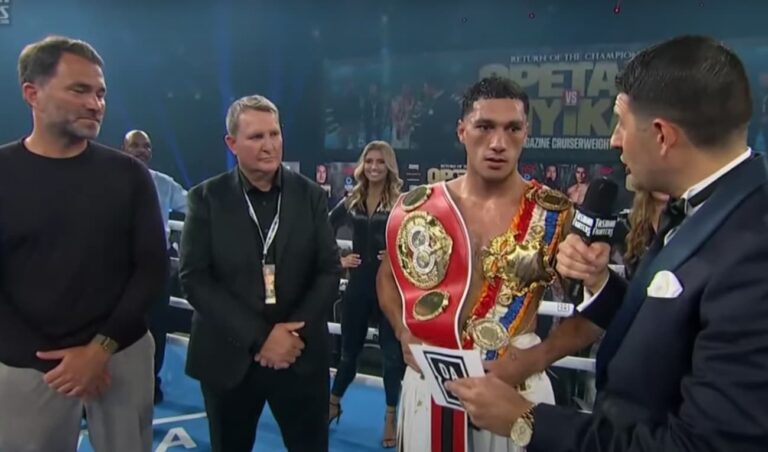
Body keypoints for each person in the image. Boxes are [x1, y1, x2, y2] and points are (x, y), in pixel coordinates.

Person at [446, 35, 768, 451]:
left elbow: (703, 446)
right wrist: (599, 282)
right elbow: (664, 328)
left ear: (661, 136)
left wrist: (527, 421)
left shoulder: (753, 249)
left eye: (621, 124)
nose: (614, 141)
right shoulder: (709, 208)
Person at [376, 76, 573, 452]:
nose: (498, 143)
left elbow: (595, 313)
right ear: (462, 131)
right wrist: (403, 330)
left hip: (514, 386)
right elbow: (386, 278)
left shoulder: (554, 215)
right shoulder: (420, 208)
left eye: (512, 128)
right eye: (484, 127)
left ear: (526, 133)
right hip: (431, 380)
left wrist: (535, 358)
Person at [0, 36, 167, 452]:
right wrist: (48, 360)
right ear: (32, 94)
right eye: (79, 90)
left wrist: (99, 350)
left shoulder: (129, 176)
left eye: (100, 93)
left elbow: (151, 269)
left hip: (120, 353)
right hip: (29, 364)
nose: (95, 104)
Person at [179, 94, 340, 452]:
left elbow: (329, 271)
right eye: (256, 137)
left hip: (298, 354)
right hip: (229, 356)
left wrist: (289, 335)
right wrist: (261, 338)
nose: (269, 145)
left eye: (274, 134)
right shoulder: (206, 198)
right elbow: (194, 278)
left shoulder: (310, 196)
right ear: (232, 143)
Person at [327, 140, 406, 448]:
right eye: (370, 161)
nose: (374, 167)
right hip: (359, 286)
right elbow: (323, 227)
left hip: (390, 288)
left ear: (389, 166)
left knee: (391, 358)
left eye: (380, 162)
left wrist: (398, 254)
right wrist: (339, 258)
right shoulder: (353, 199)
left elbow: (420, 240)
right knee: (348, 354)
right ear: (363, 164)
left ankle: (390, 417)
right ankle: (333, 404)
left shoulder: (402, 202)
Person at [122, 129, 188, 404]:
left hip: (155, 265)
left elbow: (192, 205)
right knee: (116, 324)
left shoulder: (163, 183)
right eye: (136, 145)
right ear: (125, 148)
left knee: (157, 325)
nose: (142, 150)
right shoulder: (109, 179)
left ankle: (151, 382)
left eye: (146, 146)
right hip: (118, 265)